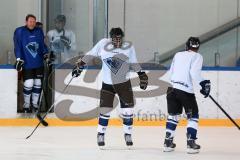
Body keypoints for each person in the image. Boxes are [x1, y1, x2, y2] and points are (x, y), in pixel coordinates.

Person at [72, 27, 148, 147]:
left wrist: (142, 75)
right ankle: (100, 133)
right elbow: (91, 54)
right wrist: (80, 65)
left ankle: (128, 134)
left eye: (120, 39)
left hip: (124, 83)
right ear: (110, 38)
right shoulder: (103, 43)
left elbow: (134, 62)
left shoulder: (129, 47)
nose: (118, 42)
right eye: (115, 39)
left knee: (128, 110)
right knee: (105, 110)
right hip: (108, 83)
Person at [163, 37, 211, 154]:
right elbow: (194, 73)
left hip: (171, 89)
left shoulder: (178, 54)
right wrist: (204, 83)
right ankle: (191, 143)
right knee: (193, 116)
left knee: (173, 116)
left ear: (187, 45)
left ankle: (168, 143)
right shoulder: (198, 56)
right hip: (185, 91)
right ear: (198, 47)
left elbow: (171, 72)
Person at [14, 14, 49, 113]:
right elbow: (17, 46)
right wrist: (19, 58)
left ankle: (34, 105)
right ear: (26, 22)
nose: (32, 23)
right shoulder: (20, 31)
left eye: (34, 21)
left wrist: (45, 54)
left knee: (37, 83)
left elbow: (42, 45)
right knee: (29, 83)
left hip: (38, 63)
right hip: (27, 63)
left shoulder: (39, 31)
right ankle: (26, 105)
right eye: (30, 21)